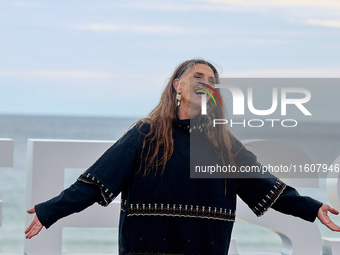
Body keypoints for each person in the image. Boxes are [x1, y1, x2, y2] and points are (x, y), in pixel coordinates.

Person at [25, 59, 340, 254]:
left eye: (212, 81)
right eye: (198, 76)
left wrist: (312, 208)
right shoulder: (145, 134)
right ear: (177, 85)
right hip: (147, 248)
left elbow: (265, 185)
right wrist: (50, 210)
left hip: (205, 247)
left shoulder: (222, 144)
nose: (206, 82)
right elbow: (97, 182)